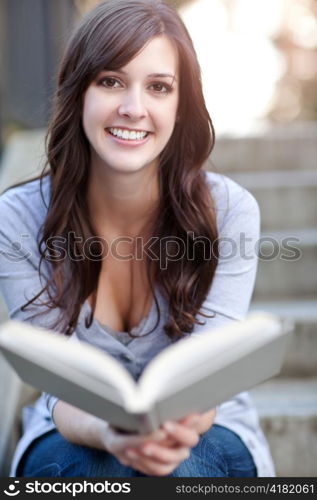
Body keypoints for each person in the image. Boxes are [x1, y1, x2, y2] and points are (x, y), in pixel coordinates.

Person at [0, 0, 275, 477]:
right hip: (70, 429)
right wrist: (111, 433)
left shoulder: (228, 211)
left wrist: (163, 436)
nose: (133, 108)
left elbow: (208, 382)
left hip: (206, 427)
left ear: (180, 104)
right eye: (110, 81)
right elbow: (59, 391)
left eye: (159, 87)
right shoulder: (18, 219)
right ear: (79, 91)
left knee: (174, 472)